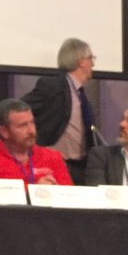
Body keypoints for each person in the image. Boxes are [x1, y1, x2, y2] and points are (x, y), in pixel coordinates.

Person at [23, 37, 97, 185]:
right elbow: (19, 109)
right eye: (91, 58)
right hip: (55, 165)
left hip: (80, 166)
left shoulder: (81, 94)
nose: (93, 64)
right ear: (81, 61)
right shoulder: (53, 85)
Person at [0, 98, 72, 185]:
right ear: (4, 131)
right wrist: (35, 191)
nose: (31, 131)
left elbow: (69, 196)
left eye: (32, 123)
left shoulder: (53, 157)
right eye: (23, 125)